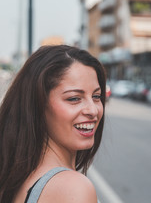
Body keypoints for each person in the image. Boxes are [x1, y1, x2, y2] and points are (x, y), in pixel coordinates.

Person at [0, 45, 106, 203]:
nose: (93, 110)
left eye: (96, 96)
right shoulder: (74, 188)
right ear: (38, 105)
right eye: (74, 98)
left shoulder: (14, 178)